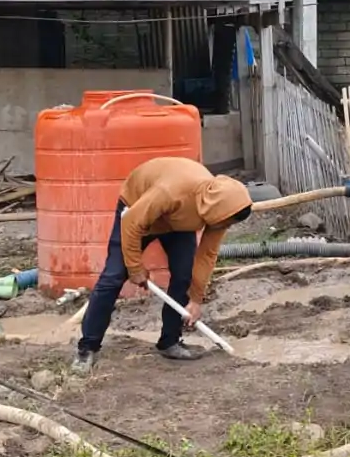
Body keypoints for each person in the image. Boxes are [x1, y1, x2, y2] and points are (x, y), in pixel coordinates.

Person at [73, 157, 253, 372]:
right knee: (113, 277)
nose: (224, 227)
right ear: (215, 209)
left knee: (183, 276)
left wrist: (195, 299)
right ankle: (87, 348)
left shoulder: (221, 210)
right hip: (137, 211)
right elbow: (131, 223)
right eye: (225, 223)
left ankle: (170, 341)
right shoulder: (171, 192)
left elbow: (207, 255)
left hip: (178, 222)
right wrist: (134, 267)